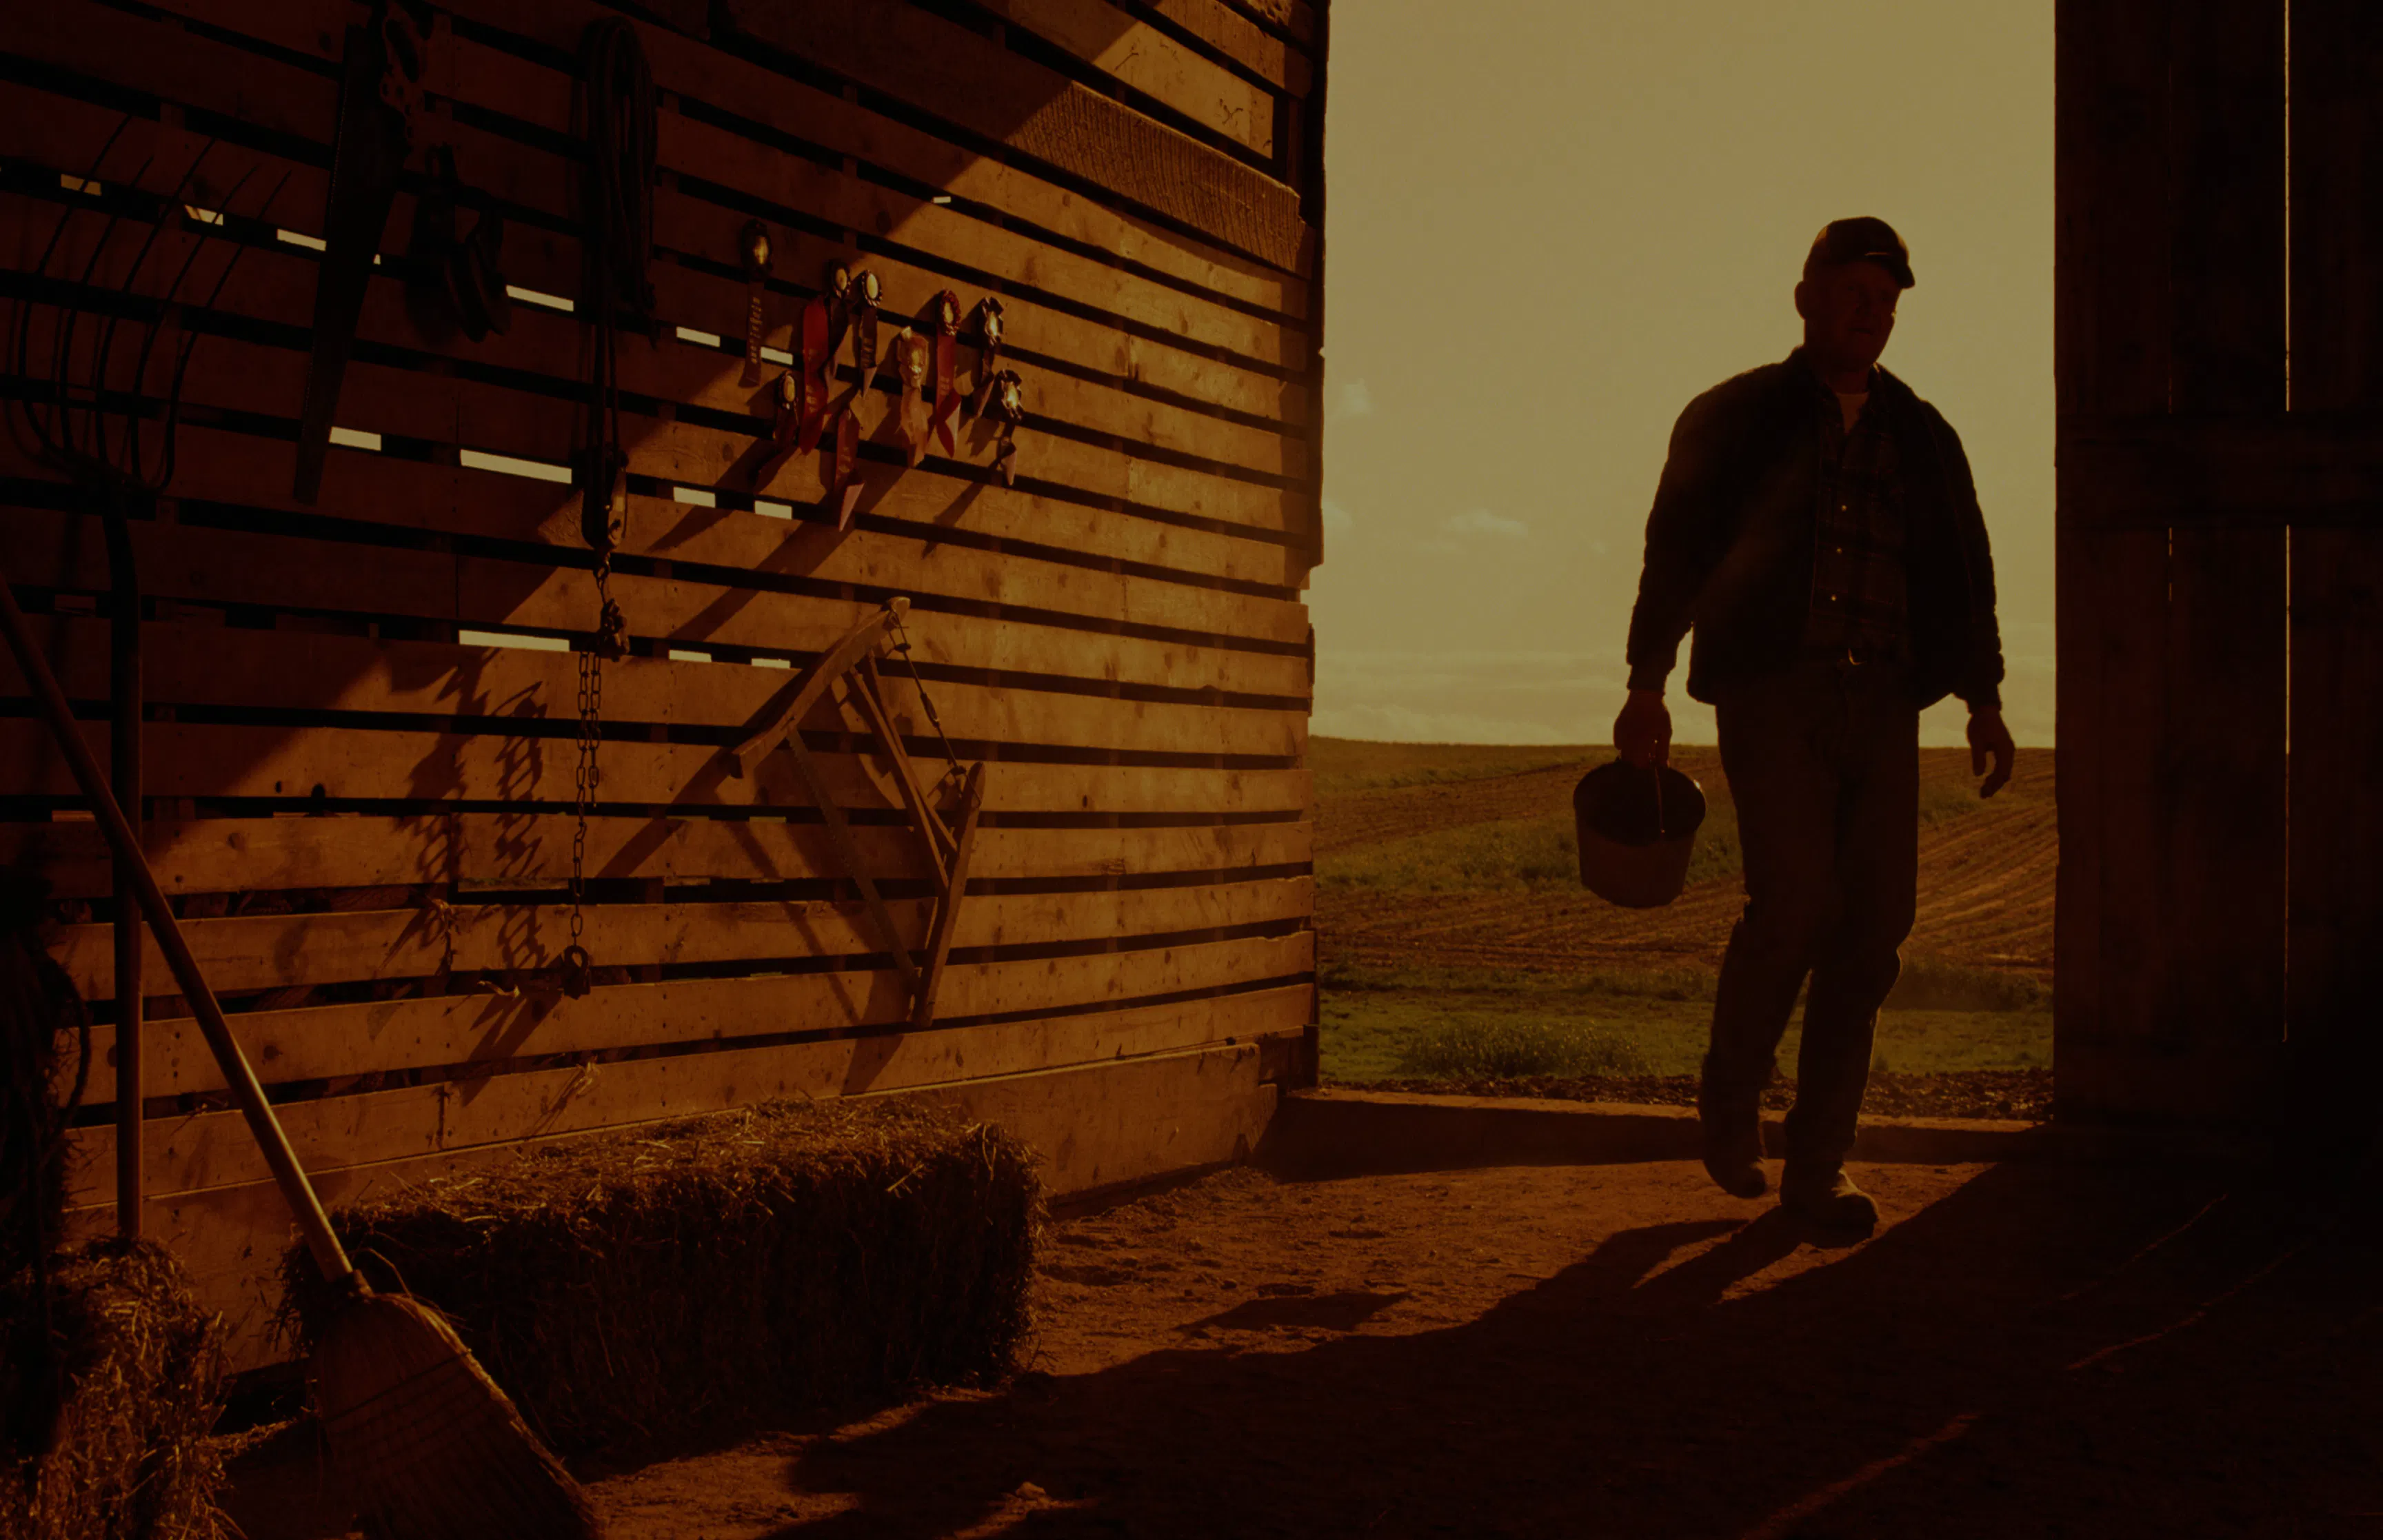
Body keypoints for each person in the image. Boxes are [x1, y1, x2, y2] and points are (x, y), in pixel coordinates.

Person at [1613, 216, 2015, 1230]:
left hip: (1882, 702)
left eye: (1885, 303)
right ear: (1805, 299)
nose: (1870, 316)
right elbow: (1675, 555)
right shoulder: (1734, 418)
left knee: (1874, 927)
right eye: (1852, 295)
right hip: (1772, 692)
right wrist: (1647, 679)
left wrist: (1985, 699)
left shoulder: (1924, 436)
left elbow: (1966, 574)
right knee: (1794, 905)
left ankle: (1817, 1170)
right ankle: (1732, 1096)